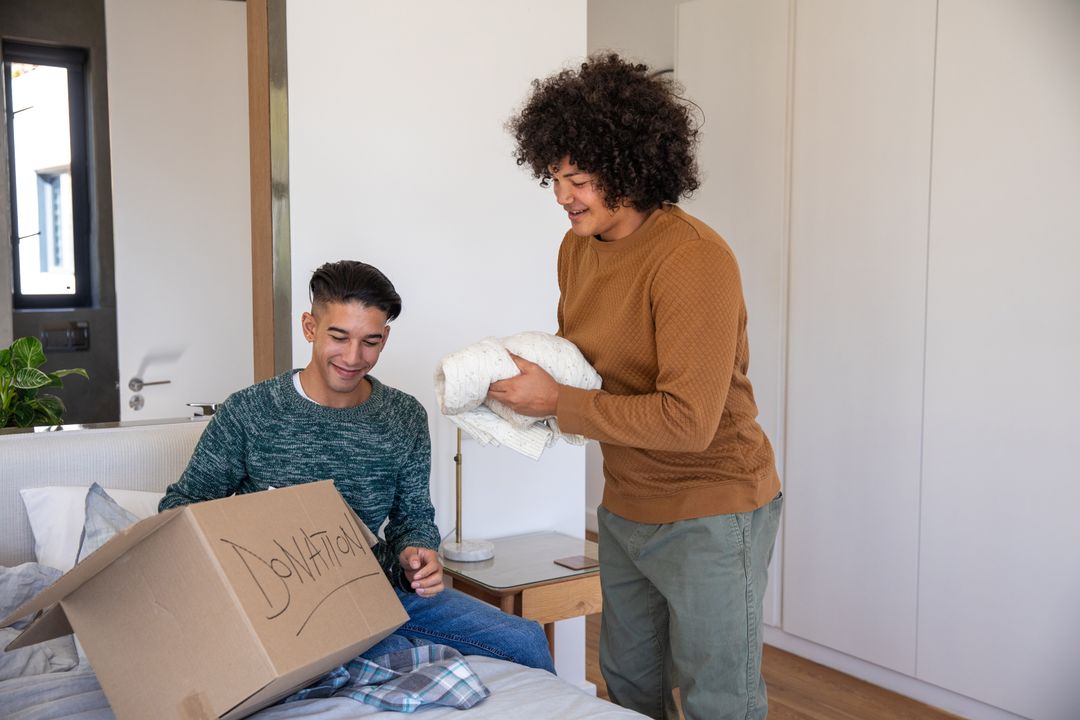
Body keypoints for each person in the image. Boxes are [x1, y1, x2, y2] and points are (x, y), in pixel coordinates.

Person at [490, 55, 783, 719]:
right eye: (555, 177)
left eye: (581, 179)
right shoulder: (577, 247)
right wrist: (514, 378)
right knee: (628, 686)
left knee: (719, 699)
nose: (564, 195)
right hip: (627, 503)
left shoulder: (693, 258)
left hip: (713, 508)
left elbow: (689, 422)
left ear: (632, 168)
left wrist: (556, 404)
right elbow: (590, 364)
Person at [160, 260, 553, 673]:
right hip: (280, 605)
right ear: (310, 327)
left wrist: (417, 555)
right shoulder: (250, 412)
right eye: (338, 336)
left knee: (524, 639)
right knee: (382, 659)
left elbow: (413, 518)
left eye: (370, 341)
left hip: (378, 592)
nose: (353, 357)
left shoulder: (404, 415)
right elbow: (178, 509)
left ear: (385, 338)